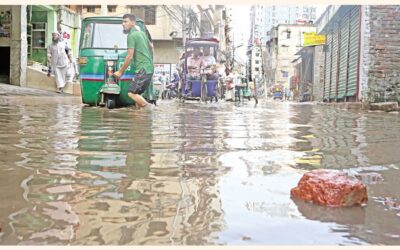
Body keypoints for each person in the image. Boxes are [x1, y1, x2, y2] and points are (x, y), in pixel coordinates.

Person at [113, 14, 154, 110]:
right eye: (122, 22)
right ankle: (138, 123)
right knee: (137, 96)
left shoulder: (131, 35)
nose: (123, 24)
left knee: (131, 93)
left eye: (126, 21)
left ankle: (151, 109)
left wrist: (120, 72)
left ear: (133, 23)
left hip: (142, 69)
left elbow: (129, 56)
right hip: (149, 68)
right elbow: (151, 47)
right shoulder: (142, 34)